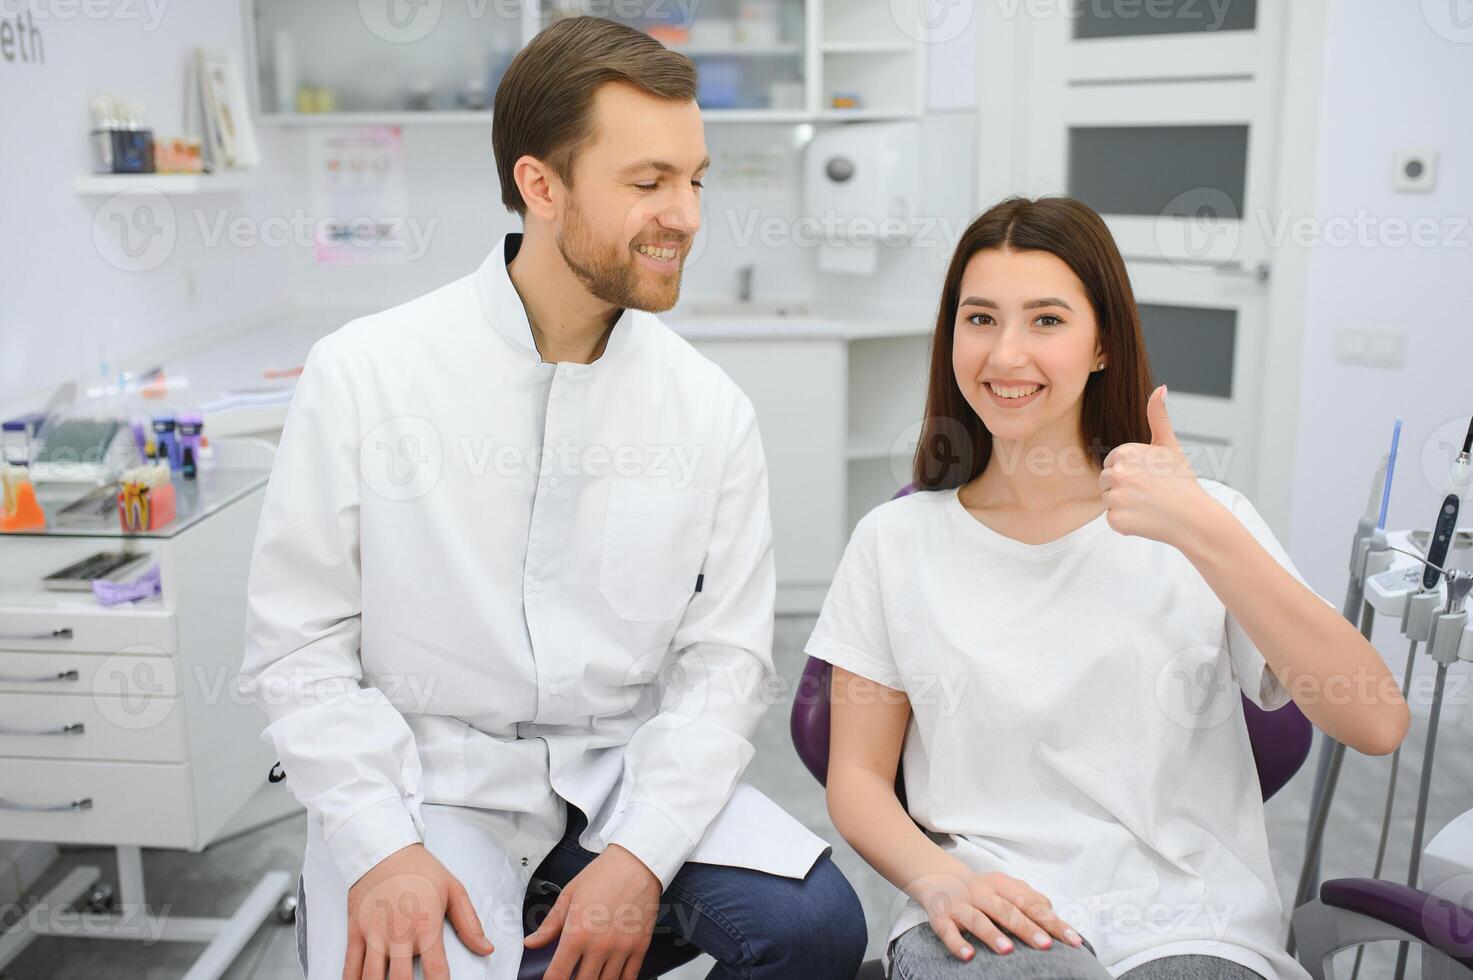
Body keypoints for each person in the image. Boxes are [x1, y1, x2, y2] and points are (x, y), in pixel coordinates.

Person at [241, 16, 866, 980]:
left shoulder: (707, 410)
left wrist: (639, 854)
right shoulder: (367, 374)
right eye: (648, 182)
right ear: (541, 185)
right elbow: (298, 641)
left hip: (615, 774)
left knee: (816, 925)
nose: (687, 215)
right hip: (429, 786)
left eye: (694, 180)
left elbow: (725, 666)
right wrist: (379, 844)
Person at [806, 196, 1409, 979]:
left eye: (1047, 321)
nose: (1005, 355)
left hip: (1192, 919)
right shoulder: (895, 542)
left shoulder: (1204, 521)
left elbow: (1375, 721)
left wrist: (1203, 531)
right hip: (988, 902)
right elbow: (854, 776)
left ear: (1101, 346)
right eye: (979, 318)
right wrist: (939, 881)